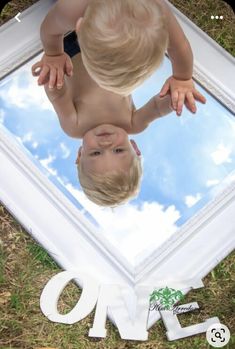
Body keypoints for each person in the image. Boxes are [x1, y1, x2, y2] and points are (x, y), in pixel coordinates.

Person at [32, 0, 206, 206]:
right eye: (119, 150)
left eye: (96, 153)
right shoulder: (133, 124)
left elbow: (58, 97)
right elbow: (158, 107)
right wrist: (181, 84)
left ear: (80, 154)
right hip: (116, 42)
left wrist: (54, 62)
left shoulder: (74, 127)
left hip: (72, 48)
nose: (106, 144)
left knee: (62, 17)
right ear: (135, 148)